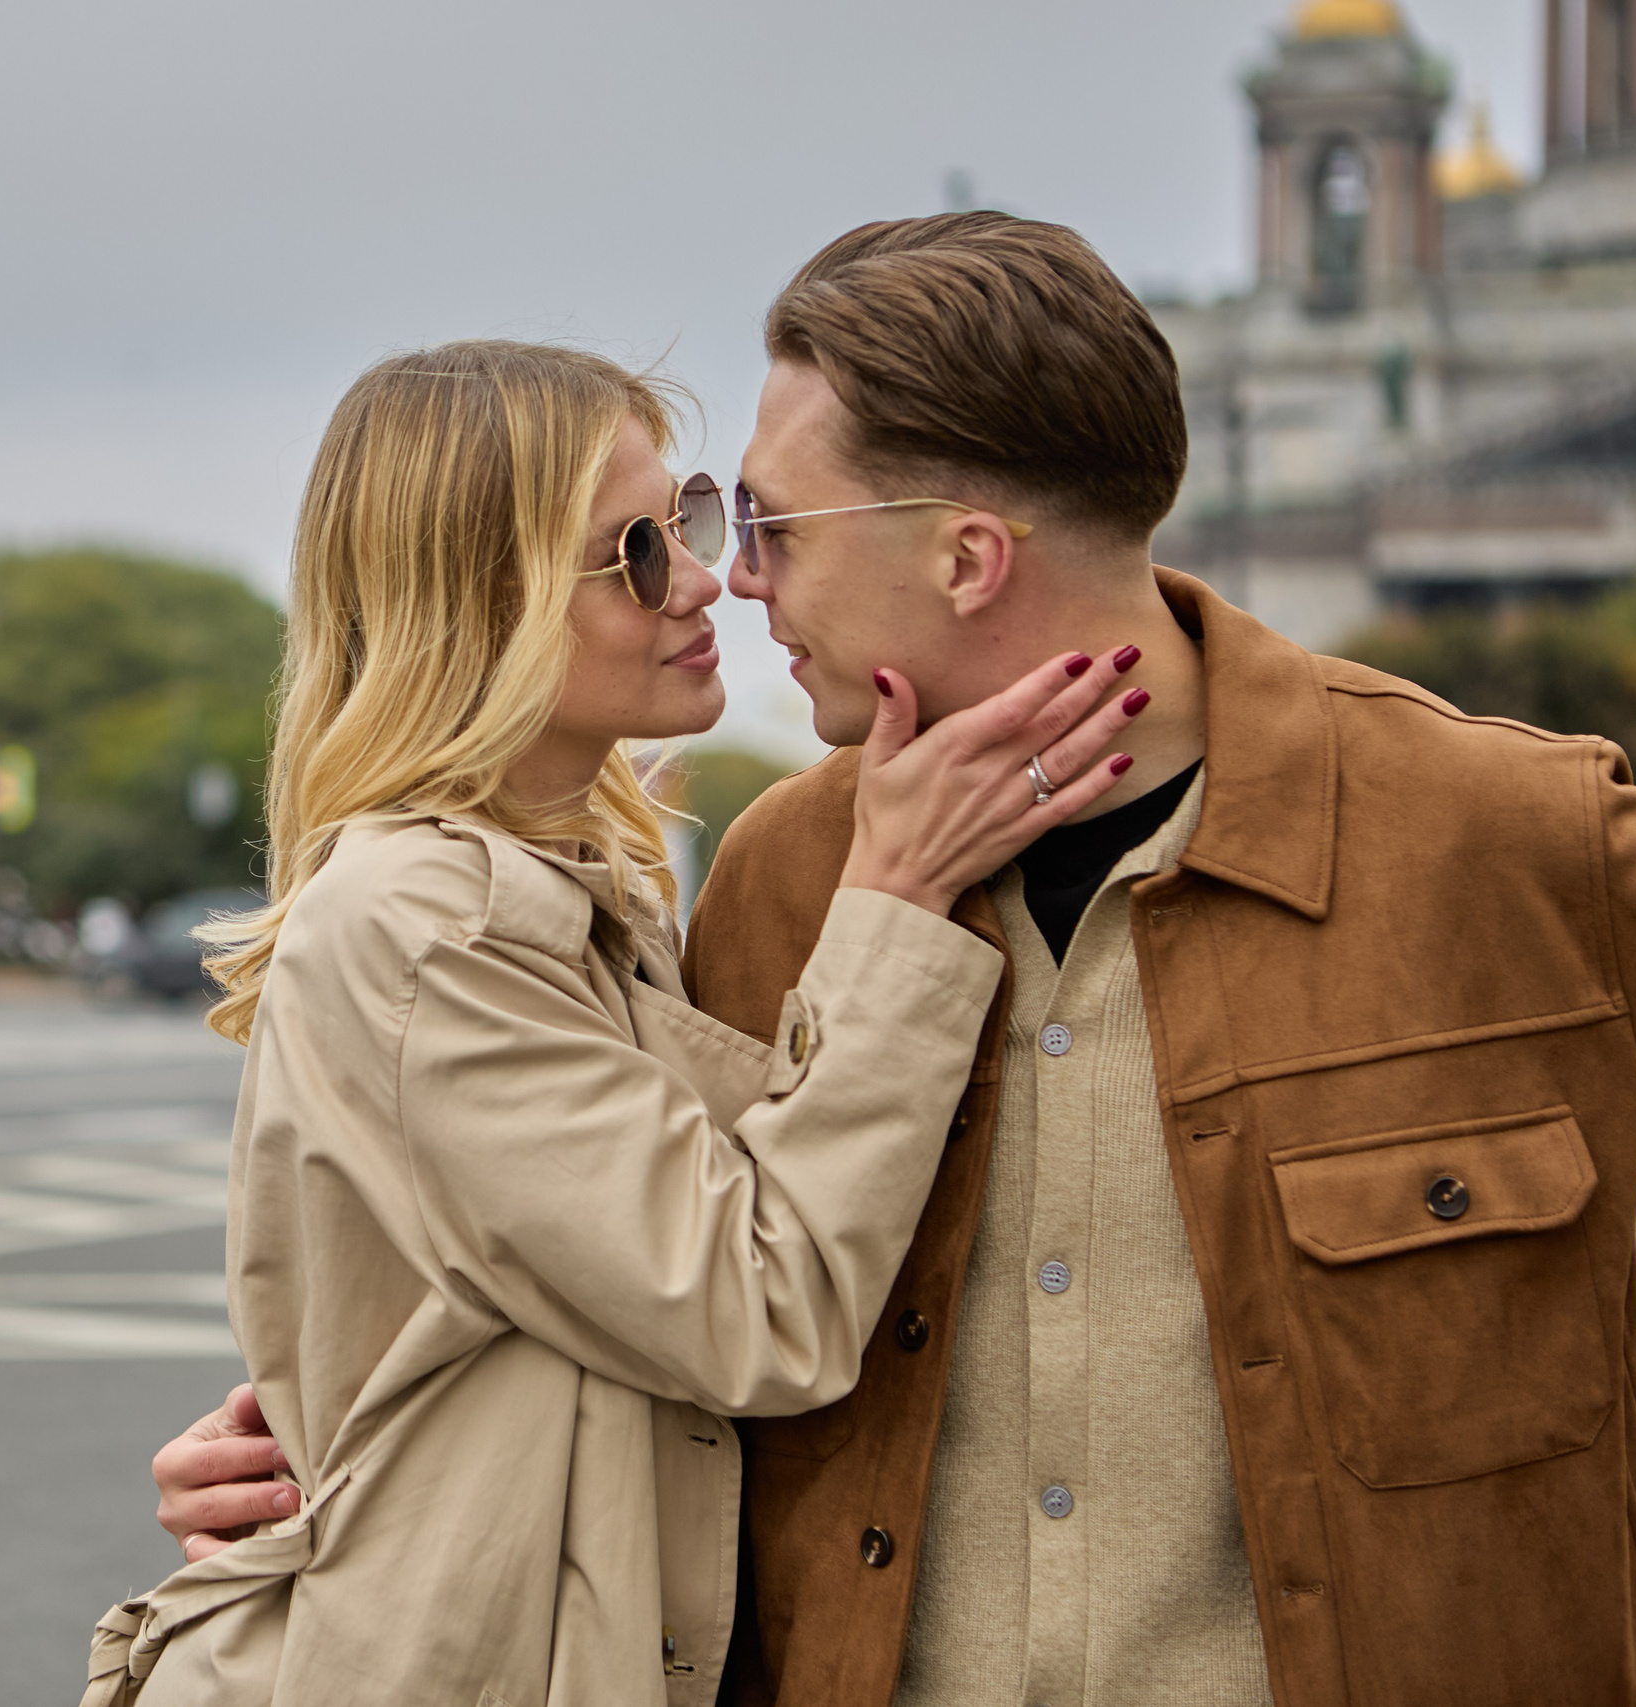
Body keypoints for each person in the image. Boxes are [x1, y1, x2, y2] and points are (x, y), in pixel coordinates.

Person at [153, 215, 1636, 1705]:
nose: (722, 581)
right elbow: (718, 1301)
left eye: (752, 521)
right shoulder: (775, 884)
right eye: (656, 540)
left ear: (968, 554)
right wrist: (348, 1457)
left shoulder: (1520, 841)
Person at [86, 338, 1150, 1707]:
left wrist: (332, 1442)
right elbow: (758, 1307)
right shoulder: (424, 918)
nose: (706, 578)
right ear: (489, 606)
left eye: (690, 516)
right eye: (636, 552)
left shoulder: (583, 883)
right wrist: (895, 894)